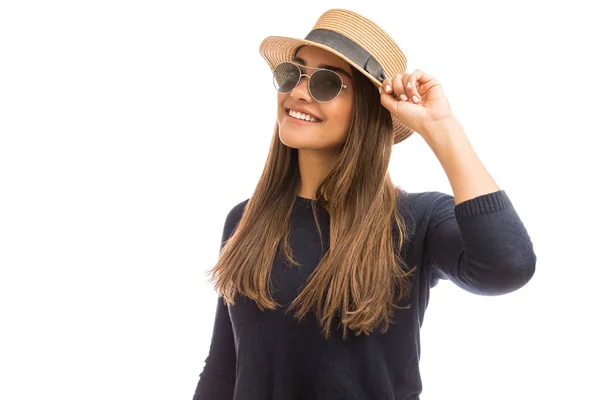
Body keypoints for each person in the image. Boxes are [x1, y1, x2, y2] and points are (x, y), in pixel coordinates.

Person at [192, 8, 536, 400]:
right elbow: (223, 369)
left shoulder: (415, 222)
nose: (299, 92)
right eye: (294, 74)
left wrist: (441, 128)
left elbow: (508, 266)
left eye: (326, 83)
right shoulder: (246, 219)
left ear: (370, 108)